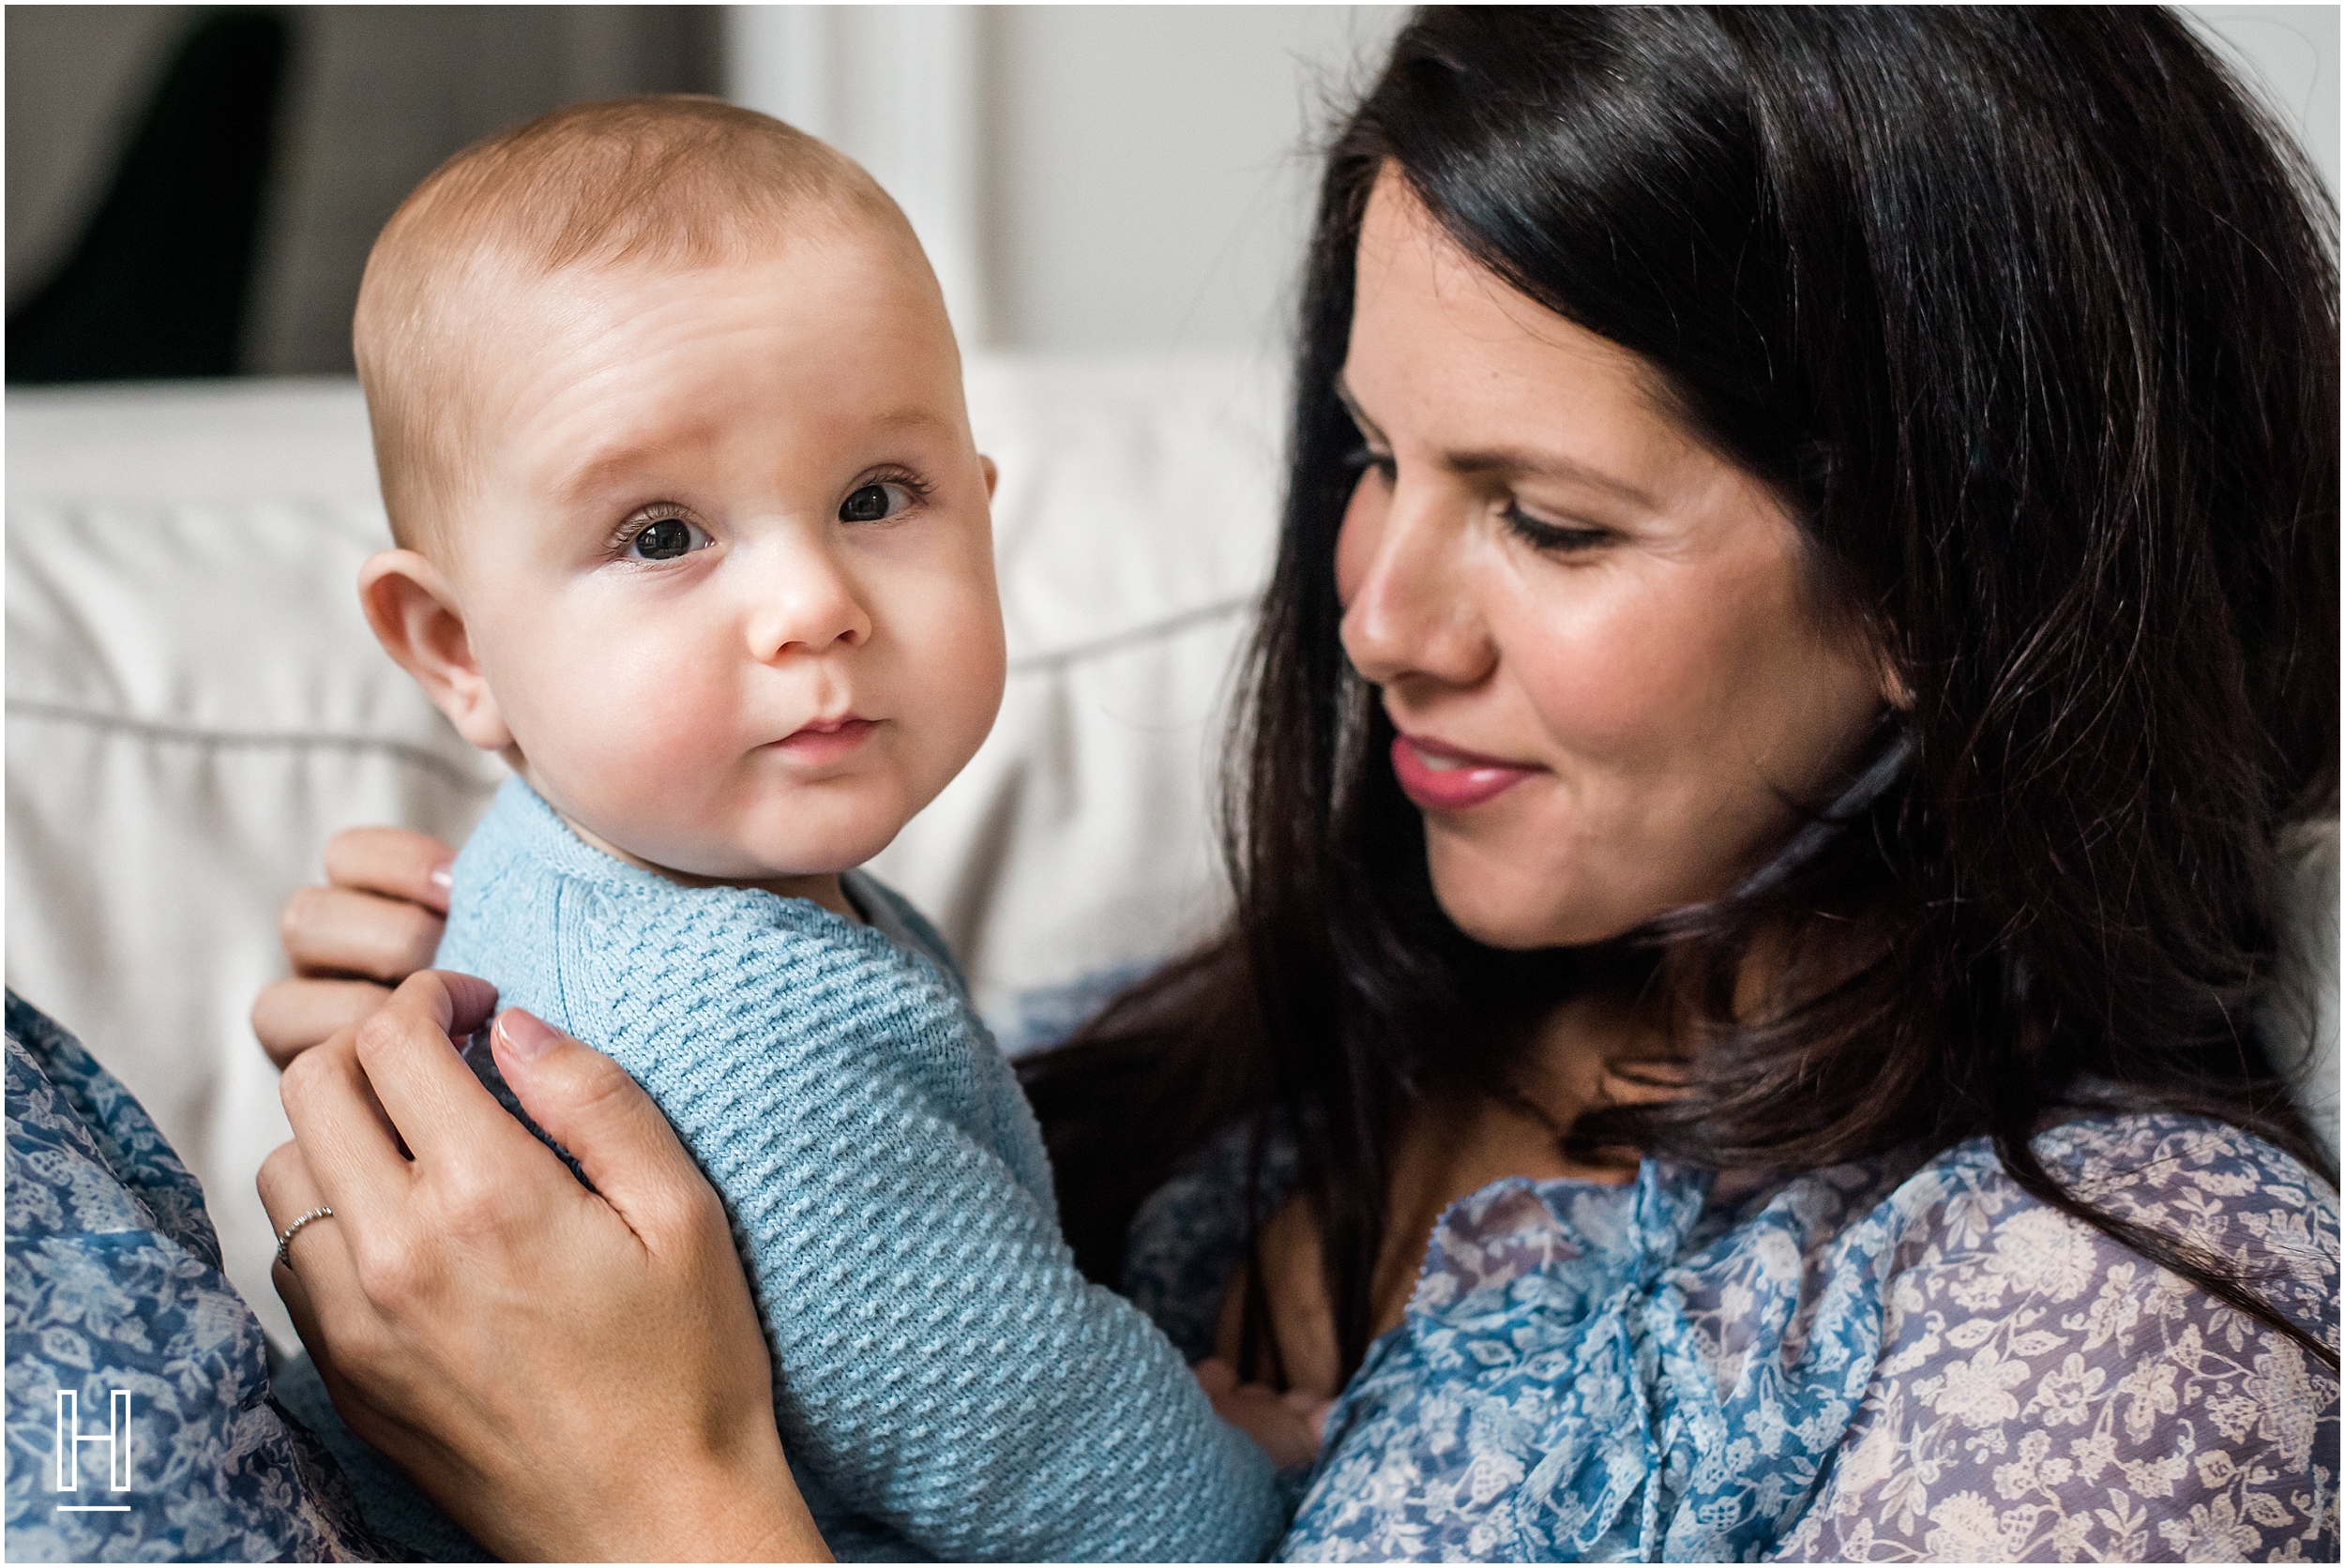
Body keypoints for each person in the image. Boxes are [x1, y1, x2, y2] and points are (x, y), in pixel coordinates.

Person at [18, 6, 2331, 1561]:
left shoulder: (2111, 1302)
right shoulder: (1265, 1036)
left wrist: (659, 1498)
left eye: (1544, 516)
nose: (1381, 613)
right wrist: (441, 1101)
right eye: (1367, 456)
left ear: (1945, 567)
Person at [269, 94, 1307, 1561]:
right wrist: (1235, 1486)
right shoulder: (768, 1038)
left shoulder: (589, 864)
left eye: (877, 496)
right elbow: (1053, 1465)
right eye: (663, 535)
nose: (815, 601)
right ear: (455, 647)